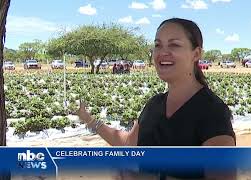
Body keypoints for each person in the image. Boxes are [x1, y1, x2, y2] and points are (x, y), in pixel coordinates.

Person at [77, 18, 236, 179]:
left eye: (174, 45)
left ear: (196, 54)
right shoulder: (154, 105)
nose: (162, 52)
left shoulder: (212, 112)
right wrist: (89, 120)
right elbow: (129, 144)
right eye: (158, 45)